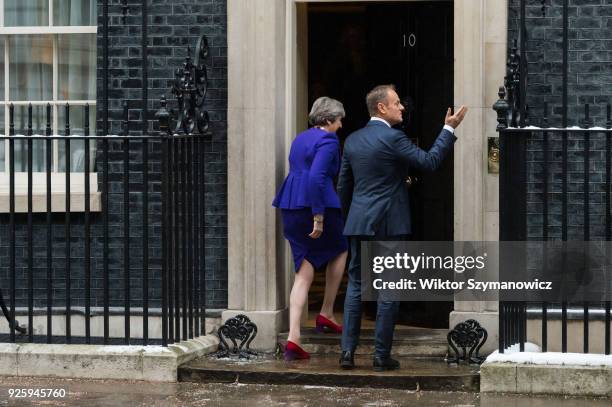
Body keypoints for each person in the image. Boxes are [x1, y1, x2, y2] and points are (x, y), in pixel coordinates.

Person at [337, 84, 467, 371]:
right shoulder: (394, 138)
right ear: (381, 107)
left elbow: (344, 186)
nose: (402, 107)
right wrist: (447, 129)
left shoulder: (353, 141)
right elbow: (430, 161)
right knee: (388, 290)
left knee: (356, 287)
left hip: (359, 222)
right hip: (390, 224)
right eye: (396, 103)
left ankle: (347, 353)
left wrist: (353, 219)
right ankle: (381, 357)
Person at [272, 97, 349, 361]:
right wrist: (318, 216)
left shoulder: (300, 138)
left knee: (303, 271)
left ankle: (293, 338)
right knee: (340, 248)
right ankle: (326, 311)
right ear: (328, 121)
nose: (340, 125)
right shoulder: (328, 140)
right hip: (317, 206)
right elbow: (317, 177)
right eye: (338, 121)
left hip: (291, 204)